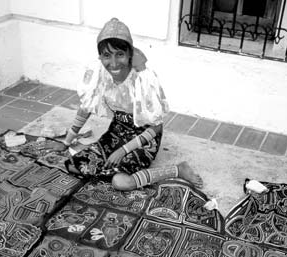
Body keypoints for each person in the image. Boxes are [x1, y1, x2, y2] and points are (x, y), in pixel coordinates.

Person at [64, 18, 203, 191]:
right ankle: (110, 166)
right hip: (117, 131)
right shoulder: (99, 73)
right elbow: (86, 106)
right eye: (107, 55)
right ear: (100, 56)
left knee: (121, 182)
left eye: (120, 54)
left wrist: (123, 151)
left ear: (129, 53)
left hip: (144, 136)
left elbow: (156, 127)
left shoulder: (143, 79)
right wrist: (67, 141)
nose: (113, 63)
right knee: (74, 165)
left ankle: (177, 169)